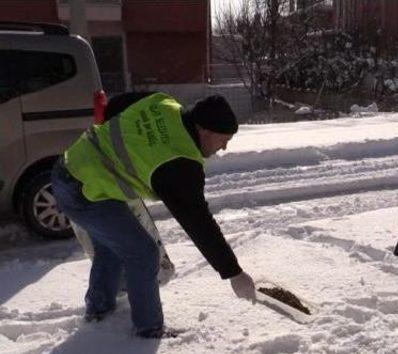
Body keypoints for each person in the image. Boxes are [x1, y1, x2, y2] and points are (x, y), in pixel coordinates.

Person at [51, 91, 256, 338]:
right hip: (85, 191)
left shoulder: (164, 102)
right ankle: (148, 329)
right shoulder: (179, 162)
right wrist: (233, 272)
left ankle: (99, 311)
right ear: (205, 130)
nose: (223, 147)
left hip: (71, 164)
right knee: (143, 253)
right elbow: (198, 222)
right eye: (223, 140)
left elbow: (115, 105)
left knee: (111, 247)